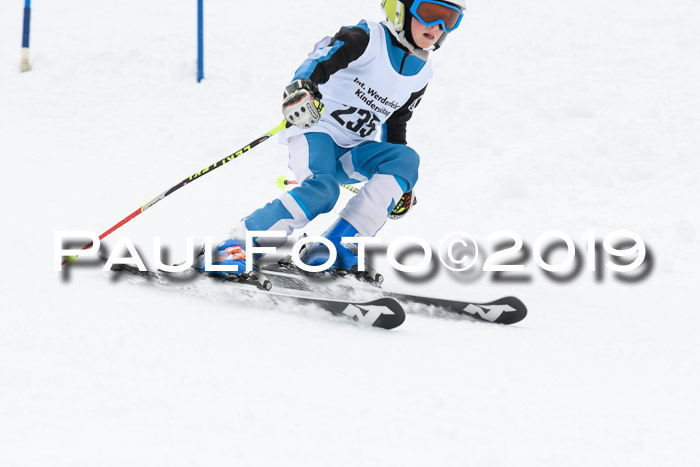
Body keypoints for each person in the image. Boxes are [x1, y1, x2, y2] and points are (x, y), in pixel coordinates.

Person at [196, 0, 466, 278]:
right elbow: (320, 60)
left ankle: (332, 248)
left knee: (406, 160)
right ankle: (235, 245)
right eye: (430, 13)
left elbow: (397, 122)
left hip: (352, 149)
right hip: (315, 129)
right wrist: (303, 87)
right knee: (323, 190)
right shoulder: (367, 38)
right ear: (401, 9)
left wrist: (400, 186)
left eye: (450, 18)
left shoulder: (422, 72)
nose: (438, 26)